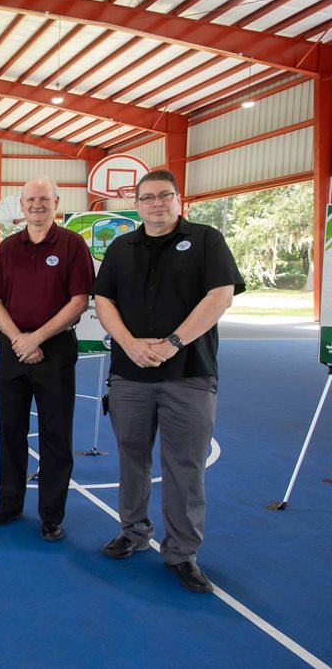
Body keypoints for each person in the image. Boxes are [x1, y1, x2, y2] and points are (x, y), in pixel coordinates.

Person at [93, 169, 244, 593]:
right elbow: (103, 299)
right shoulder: (121, 247)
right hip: (130, 376)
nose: (156, 203)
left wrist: (174, 343)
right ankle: (134, 532)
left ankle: (181, 552)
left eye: (164, 196)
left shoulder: (205, 240)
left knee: (185, 467)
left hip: (189, 375)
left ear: (179, 200)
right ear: (137, 204)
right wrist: (128, 343)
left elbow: (221, 295)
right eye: (147, 198)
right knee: (132, 458)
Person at [0, 176, 95, 541]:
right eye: (31, 199)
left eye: (44, 199)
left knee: (56, 436)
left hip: (56, 351)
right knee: (11, 432)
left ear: (56, 202)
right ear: (22, 203)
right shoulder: (9, 248)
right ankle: (10, 504)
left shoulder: (72, 244)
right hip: (13, 350)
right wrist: (20, 339)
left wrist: (38, 338)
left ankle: (51, 515)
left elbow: (79, 301)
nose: (37, 205)